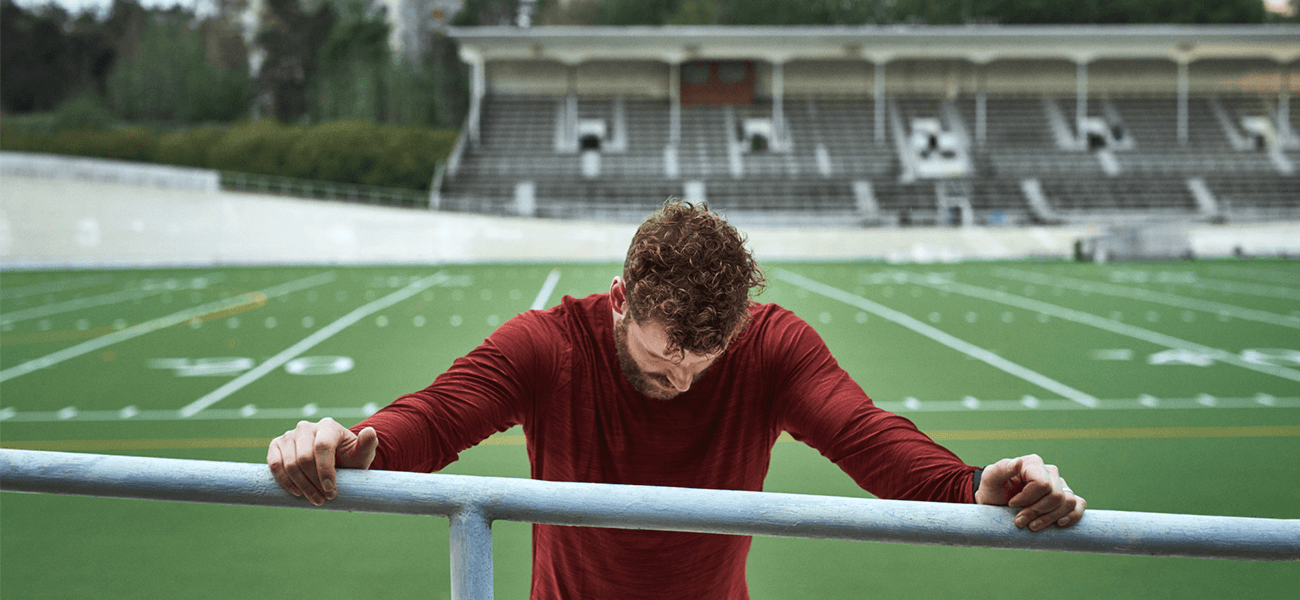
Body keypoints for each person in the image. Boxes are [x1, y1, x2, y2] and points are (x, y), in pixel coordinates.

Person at [268, 201, 1085, 599]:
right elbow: (438, 415)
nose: (682, 381)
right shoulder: (549, 344)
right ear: (619, 300)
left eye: (705, 359)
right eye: (663, 357)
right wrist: (357, 441)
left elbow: (866, 436)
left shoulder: (772, 346)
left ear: (741, 326)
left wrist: (978, 483)